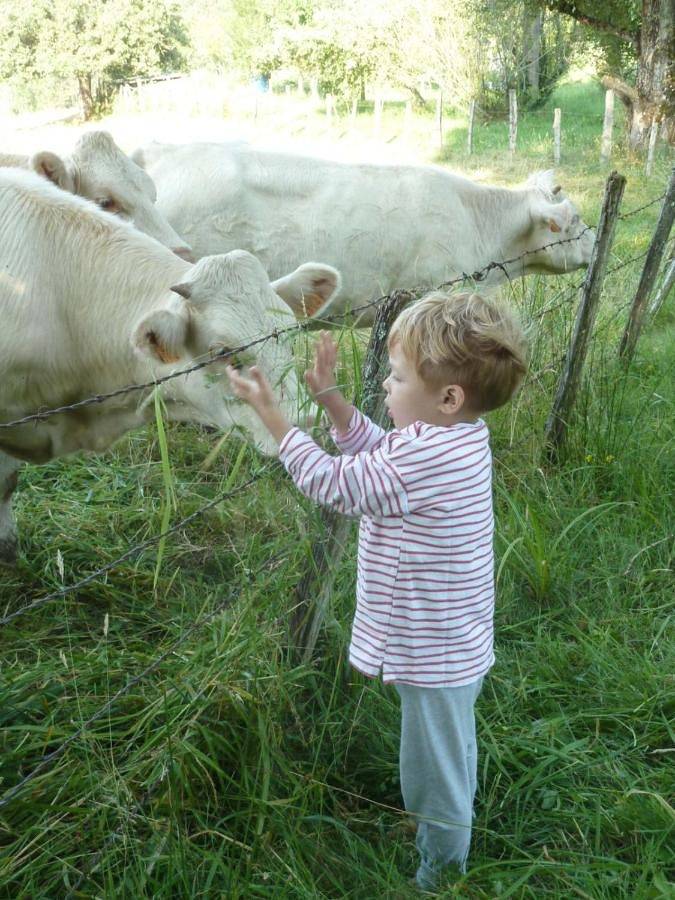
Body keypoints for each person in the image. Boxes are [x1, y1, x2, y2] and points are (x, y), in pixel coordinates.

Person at [226, 291, 528, 892]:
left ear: (448, 397)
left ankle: (440, 871)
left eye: (395, 378)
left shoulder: (430, 454)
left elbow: (341, 485)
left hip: (435, 650)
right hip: (451, 639)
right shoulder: (452, 437)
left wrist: (276, 417)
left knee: (432, 768)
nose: (386, 388)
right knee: (449, 748)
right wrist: (331, 401)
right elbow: (380, 453)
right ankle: (442, 828)